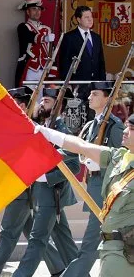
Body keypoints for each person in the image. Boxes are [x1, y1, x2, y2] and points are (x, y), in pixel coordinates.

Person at [0, 87, 65, 277]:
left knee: (8, 234)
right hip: (23, 188)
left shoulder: (29, 128)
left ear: (23, 105)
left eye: (14, 103)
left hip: (21, 187)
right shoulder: (18, 126)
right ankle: (58, 267)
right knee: (31, 233)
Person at [35, 114, 134, 276]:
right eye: (126, 126)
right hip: (111, 247)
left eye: (131, 128)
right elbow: (81, 146)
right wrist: (47, 133)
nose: (124, 131)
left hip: (126, 249)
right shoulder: (117, 156)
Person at [12, 88, 80, 277]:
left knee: (37, 239)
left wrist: (47, 177)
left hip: (53, 194)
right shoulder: (41, 126)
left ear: (59, 105)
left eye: (48, 101)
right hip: (40, 193)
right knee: (63, 240)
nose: (42, 104)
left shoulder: (62, 130)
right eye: (43, 101)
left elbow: (74, 165)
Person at [60, 81, 125, 277]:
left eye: (95, 94)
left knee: (90, 239)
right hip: (94, 186)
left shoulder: (115, 125)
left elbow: (120, 157)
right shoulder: (90, 125)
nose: (89, 97)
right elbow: (76, 149)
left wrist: (101, 163)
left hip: (107, 188)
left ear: (108, 98)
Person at [59, 5, 106, 85]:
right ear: (78, 19)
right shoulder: (69, 37)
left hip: (95, 84)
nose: (90, 19)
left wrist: (102, 83)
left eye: (91, 16)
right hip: (77, 84)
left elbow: (101, 62)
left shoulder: (96, 37)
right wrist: (67, 84)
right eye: (86, 17)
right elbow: (64, 63)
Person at [14, 0, 56, 87]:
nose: (37, 12)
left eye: (39, 10)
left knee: (43, 97)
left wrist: (53, 70)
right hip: (30, 67)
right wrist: (45, 38)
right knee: (28, 96)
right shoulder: (23, 27)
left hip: (44, 68)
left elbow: (51, 51)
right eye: (34, 9)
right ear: (28, 12)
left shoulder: (47, 29)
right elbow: (29, 37)